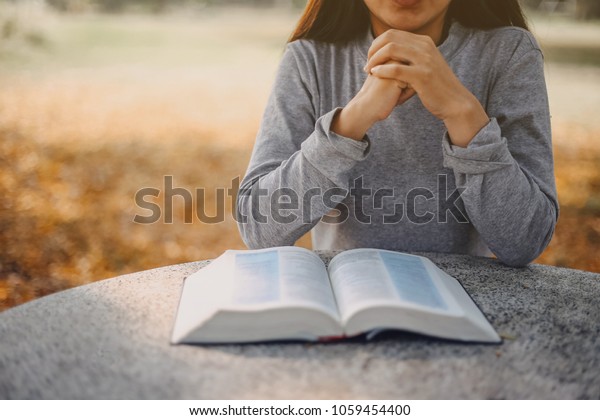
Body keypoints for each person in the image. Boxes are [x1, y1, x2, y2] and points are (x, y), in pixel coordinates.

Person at [236, 0, 558, 267]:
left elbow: (526, 240)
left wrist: (462, 111)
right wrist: (350, 122)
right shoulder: (309, 59)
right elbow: (259, 228)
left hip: (466, 315)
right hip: (347, 311)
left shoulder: (509, 53)